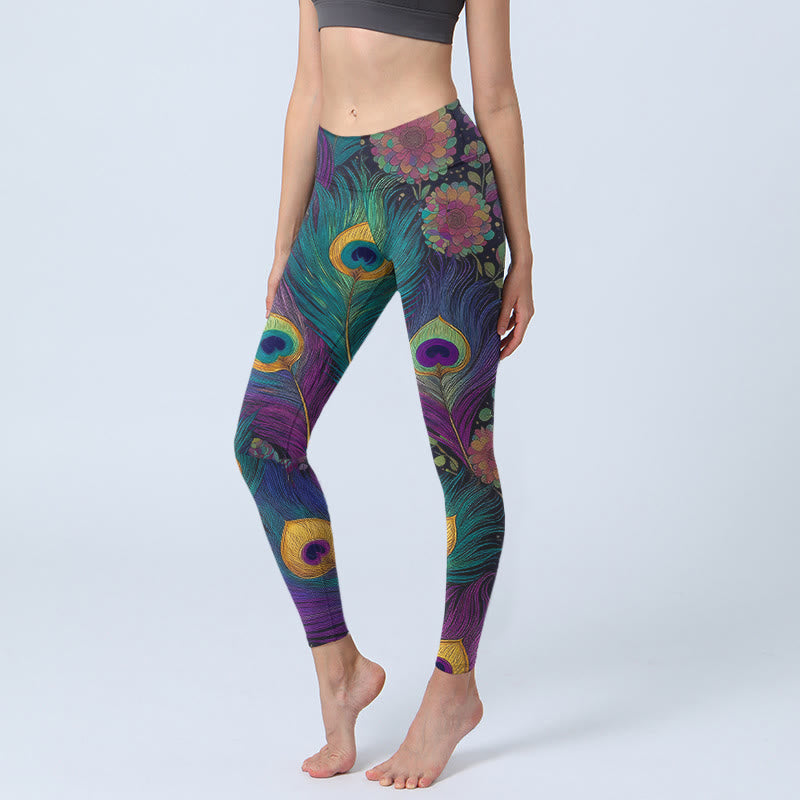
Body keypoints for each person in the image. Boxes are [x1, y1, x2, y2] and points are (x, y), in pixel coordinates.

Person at [233, 0, 534, 789]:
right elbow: (307, 86)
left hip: (442, 185)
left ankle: (454, 687)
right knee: (264, 440)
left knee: (462, 453)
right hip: (340, 186)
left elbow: (496, 95)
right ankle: (339, 669)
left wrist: (525, 255)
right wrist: (284, 241)